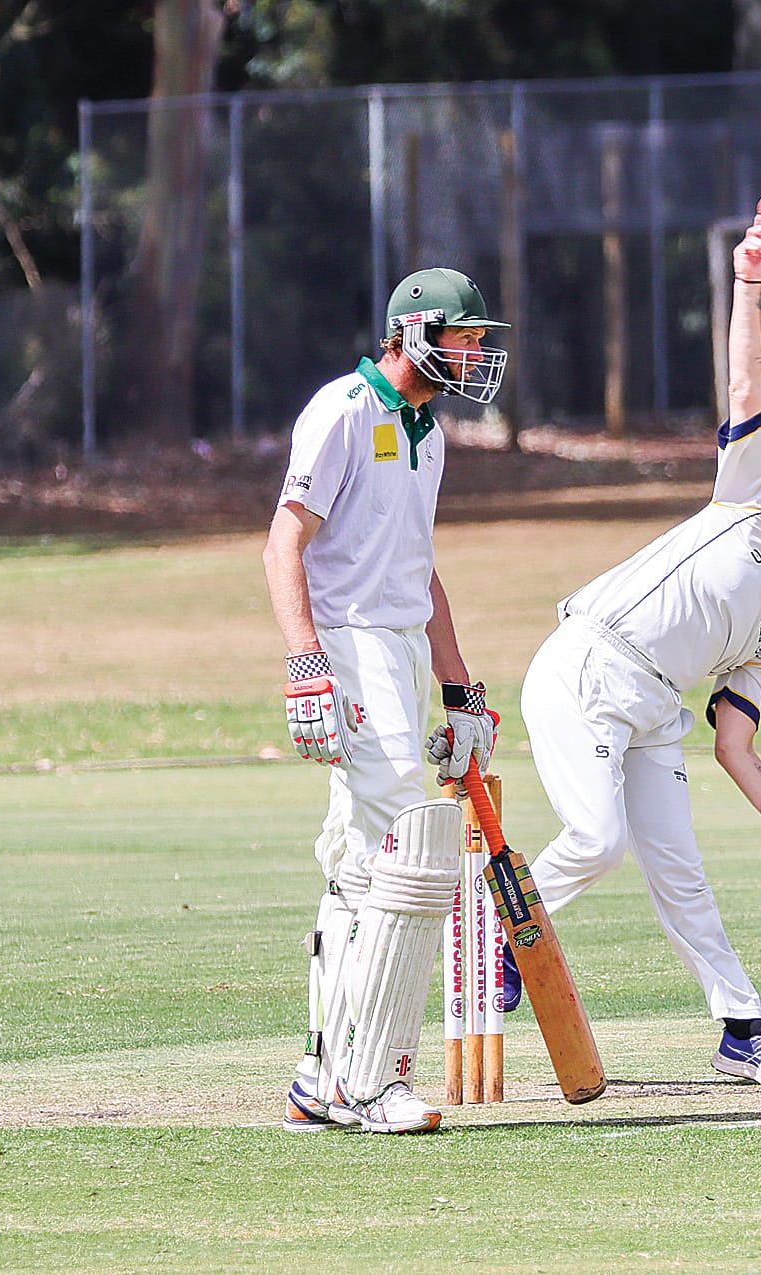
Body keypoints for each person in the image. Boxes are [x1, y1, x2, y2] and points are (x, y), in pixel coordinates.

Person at [520, 217, 761, 1087]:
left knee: (681, 872)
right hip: (588, 665)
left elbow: (734, 743)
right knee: (597, 844)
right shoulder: (756, 498)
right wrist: (749, 284)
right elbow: (743, 376)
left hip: (654, 711)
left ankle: (742, 1029)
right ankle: (498, 926)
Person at [263, 267, 510, 1134]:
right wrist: (306, 666)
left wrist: (461, 688)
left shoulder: (427, 434)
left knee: (362, 869)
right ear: (412, 333)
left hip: (402, 649)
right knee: (417, 842)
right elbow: (284, 540)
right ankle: (371, 1083)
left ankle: (319, 1078)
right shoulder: (343, 411)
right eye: (465, 336)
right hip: (353, 649)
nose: (476, 352)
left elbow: (420, 570)